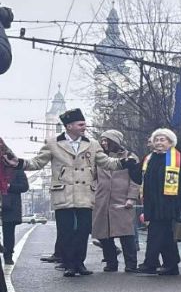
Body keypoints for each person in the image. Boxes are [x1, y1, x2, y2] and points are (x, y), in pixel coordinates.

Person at [14, 108, 133, 276]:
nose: (84, 127)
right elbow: (36, 163)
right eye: (81, 124)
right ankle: (69, 264)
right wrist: (18, 163)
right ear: (69, 126)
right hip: (64, 193)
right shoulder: (53, 143)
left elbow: (106, 162)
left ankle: (79, 263)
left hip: (85, 193)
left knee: (84, 230)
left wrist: (123, 163)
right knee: (66, 230)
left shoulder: (92, 144)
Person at [126, 129, 181, 275]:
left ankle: (150, 263)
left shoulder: (179, 159)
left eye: (162, 140)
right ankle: (171, 264)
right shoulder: (149, 158)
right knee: (166, 235)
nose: (158, 143)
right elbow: (138, 176)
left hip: (169, 203)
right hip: (152, 203)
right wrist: (131, 165)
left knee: (156, 233)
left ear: (170, 142)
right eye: (156, 140)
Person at [92, 130, 140, 273]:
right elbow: (93, 176)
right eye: (102, 140)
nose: (104, 143)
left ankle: (131, 264)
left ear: (116, 142)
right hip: (102, 200)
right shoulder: (99, 158)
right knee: (104, 234)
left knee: (127, 234)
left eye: (107, 140)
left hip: (122, 200)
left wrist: (132, 197)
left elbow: (136, 179)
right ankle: (111, 262)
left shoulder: (130, 157)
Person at [0, 139, 28, 266]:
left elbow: (24, 186)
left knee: (8, 232)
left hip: (10, 205)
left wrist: (8, 186)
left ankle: (8, 255)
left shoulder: (15, 166)